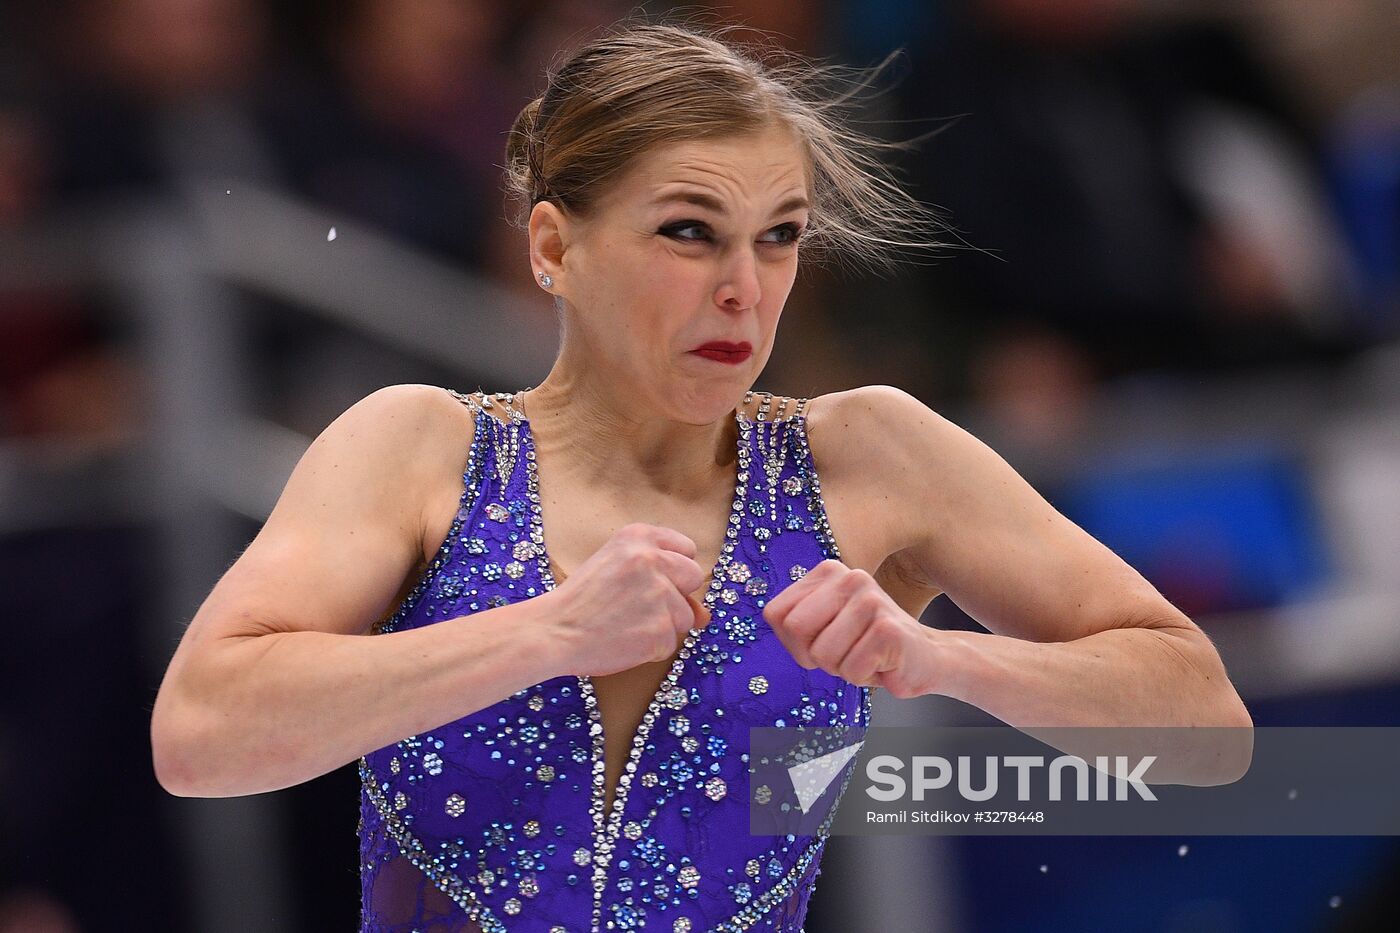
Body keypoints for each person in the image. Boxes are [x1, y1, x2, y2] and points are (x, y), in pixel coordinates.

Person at [149, 17, 1253, 932]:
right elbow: (200, 735)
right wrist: (545, 634)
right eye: (689, 231)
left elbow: (1206, 730)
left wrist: (938, 659)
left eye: (777, 237)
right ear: (552, 247)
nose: (743, 287)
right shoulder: (416, 450)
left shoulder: (865, 457)